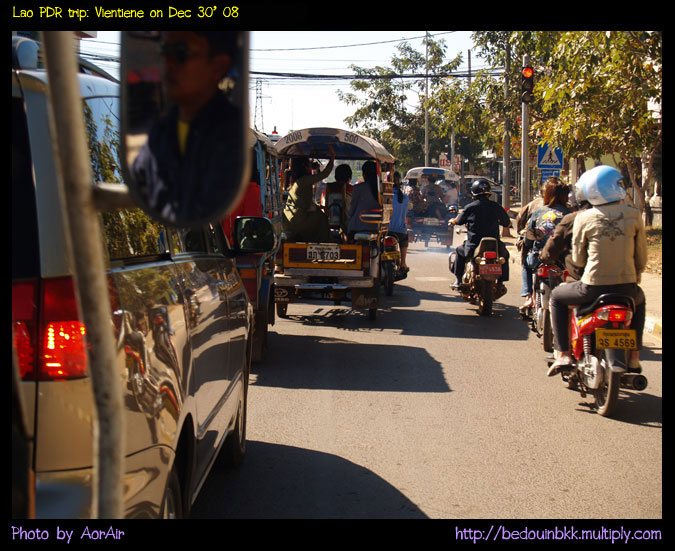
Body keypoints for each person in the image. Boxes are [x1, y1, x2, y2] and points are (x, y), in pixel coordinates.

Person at [131, 31, 242, 224]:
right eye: (164, 51)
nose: (168, 64)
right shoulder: (160, 133)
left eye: (181, 52)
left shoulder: (232, 135)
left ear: (219, 66)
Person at [547, 165, 648, 375]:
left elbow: (578, 258)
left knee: (556, 297)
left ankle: (564, 353)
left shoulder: (584, 217)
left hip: (592, 287)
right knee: (641, 299)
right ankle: (635, 357)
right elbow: (641, 257)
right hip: (627, 288)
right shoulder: (634, 215)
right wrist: (634, 277)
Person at [520, 178, 570, 311]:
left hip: (540, 257)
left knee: (526, 264)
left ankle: (528, 296)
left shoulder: (538, 212)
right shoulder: (570, 214)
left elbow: (529, 238)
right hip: (563, 259)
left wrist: (528, 246)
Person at [282, 152, 334, 242]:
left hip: (288, 219)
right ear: (305, 167)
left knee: (318, 215)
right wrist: (332, 157)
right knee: (322, 218)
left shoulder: (296, 182)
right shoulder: (304, 181)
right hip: (298, 219)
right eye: (310, 165)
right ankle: (325, 242)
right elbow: (325, 174)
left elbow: (305, 202)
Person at [347, 160, 381, 240]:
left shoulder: (358, 188)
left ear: (364, 174)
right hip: (376, 227)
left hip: (357, 227)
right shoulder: (381, 189)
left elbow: (351, 211)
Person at [322, 163, 354, 236]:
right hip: (348, 225)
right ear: (349, 178)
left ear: (335, 177)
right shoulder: (353, 190)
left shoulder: (326, 189)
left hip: (328, 224)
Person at [387, 171, 410, 272]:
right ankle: (403, 263)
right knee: (404, 239)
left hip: (387, 231)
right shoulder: (405, 197)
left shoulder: (386, 196)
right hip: (401, 231)